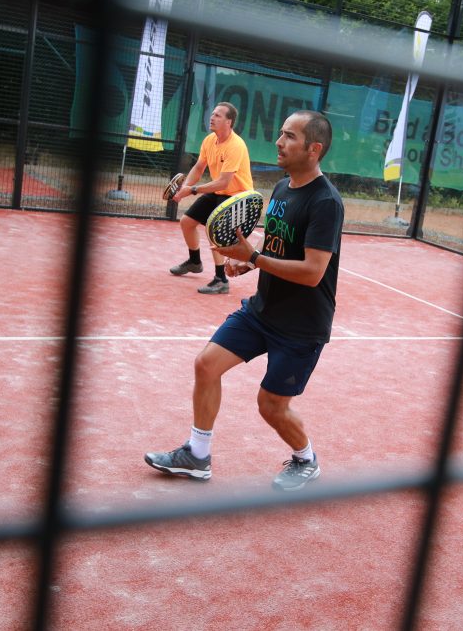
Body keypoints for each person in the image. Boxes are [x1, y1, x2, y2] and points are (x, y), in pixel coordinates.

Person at [145, 110, 343, 492]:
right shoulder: (284, 188)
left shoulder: (326, 203)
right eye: (281, 133)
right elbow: (276, 245)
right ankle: (197, 456)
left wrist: (253, 257)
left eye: (289, 136)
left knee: (270, 405)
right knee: (206, 365)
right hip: (263, 310)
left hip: (301, 326)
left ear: (313, 149)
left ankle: (306, 459)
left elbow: (313, 271)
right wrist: (245, 266)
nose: (278, 142)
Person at [169, 101, 254, 295]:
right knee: (187, 222)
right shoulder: (209, 140)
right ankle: (194, 261)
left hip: (238, 196)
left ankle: (221, 280)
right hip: (219, 192)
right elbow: (199, 168)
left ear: (229, 122)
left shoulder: (236, 145)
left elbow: (224, 182)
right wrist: (186, 186)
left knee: (213, 230)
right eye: (212, 114)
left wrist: (192, 191)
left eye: (218, 115)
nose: (212, 117)